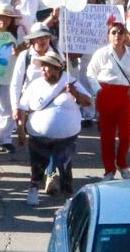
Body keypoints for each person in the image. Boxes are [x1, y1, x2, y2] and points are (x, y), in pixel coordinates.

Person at [19, 51, 90, 207]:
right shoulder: (35, 84)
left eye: (48, 67)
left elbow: (88, 102)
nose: (44, 70)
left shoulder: (71, 82)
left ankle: (68, 196)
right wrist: (20, 130)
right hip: (38, 135)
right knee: (37, 165)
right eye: (43, 67)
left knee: (65, 166)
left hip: (66, 137)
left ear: (58, 68)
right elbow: (22, 107)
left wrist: (75, 93)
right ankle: (34, 190)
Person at [87, 20, 130, 180]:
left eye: (120, 32)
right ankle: (109, 168)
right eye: (114, 32)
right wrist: (98, 90)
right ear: (108, 36)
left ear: (125, 35)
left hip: (125, 94)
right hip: (107, 93)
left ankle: (122, 163)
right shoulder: (101, 53)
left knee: (126, 134)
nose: (117, 35)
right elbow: (90, 73)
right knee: (108, 135)